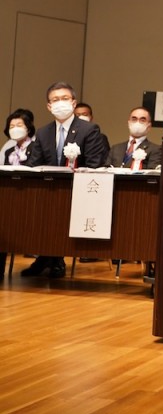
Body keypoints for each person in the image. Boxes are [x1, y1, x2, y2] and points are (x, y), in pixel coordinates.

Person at [24, 82, 108, 277]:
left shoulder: (89, 129)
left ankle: (56, 259)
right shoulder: (43, 132)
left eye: (64, 99)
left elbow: (95, 164)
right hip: (49, 191)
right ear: (48, 106)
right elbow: (33, 164)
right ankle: (45, 255)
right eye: (55, 100)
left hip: (79, 192)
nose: (59, 103)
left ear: (73, 102)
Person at [1, 109, 36, 277]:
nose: (14, 128)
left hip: (31, 194)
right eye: (11, 125)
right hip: (10, 195)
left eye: (19, 125)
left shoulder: (36, 147)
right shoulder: (9, 151)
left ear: (28, 128)